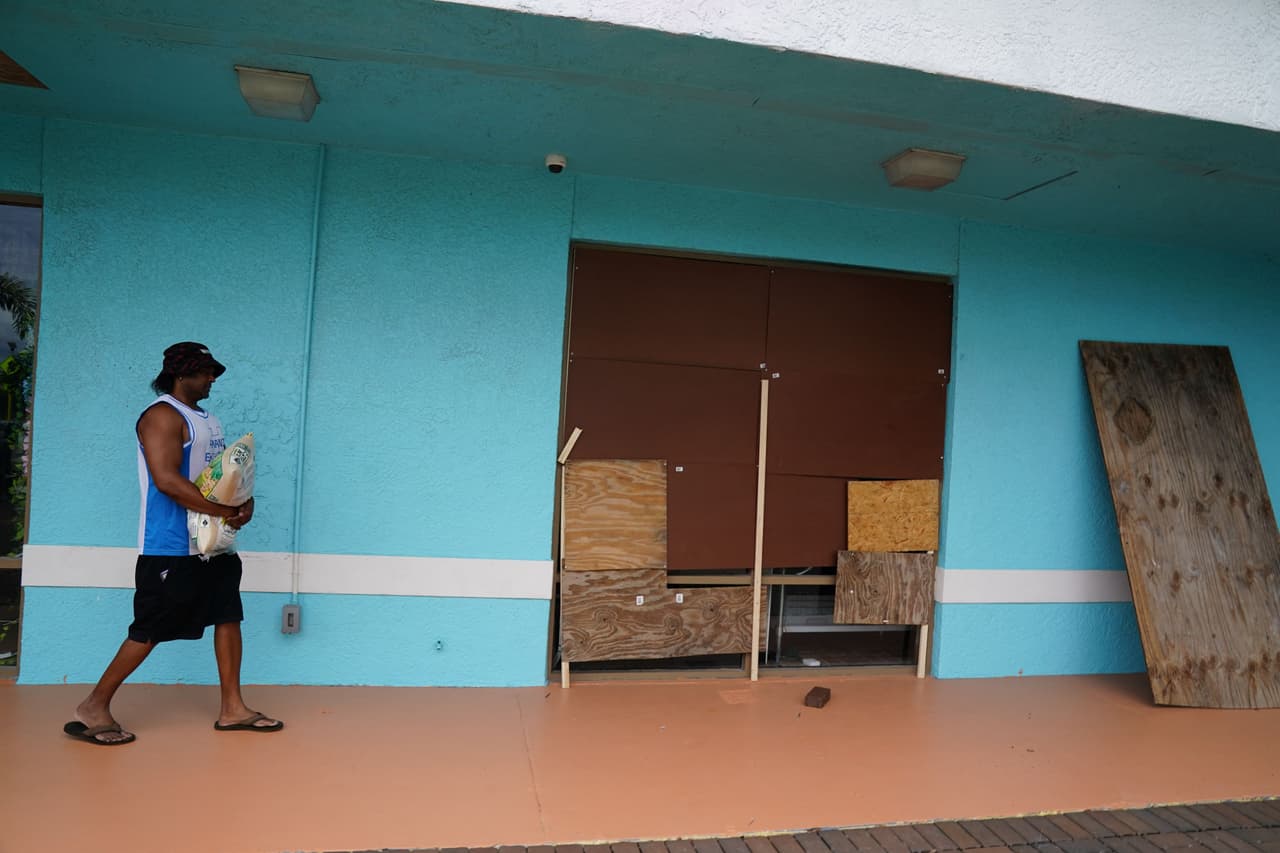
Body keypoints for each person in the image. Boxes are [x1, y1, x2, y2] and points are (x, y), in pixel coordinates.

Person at [63, 342, 282, 745]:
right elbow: (165, 479)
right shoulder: (161, 416)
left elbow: (218, 476)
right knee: (148, 629)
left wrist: (242, 502)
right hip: (169, 546)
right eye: (204, 372)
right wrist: (221, 510)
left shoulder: (207, 419)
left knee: (227, 615)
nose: (212, 378)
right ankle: (93, 705)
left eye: (213, 371)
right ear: (180, 374)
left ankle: (233, 709)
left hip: (212, 544)